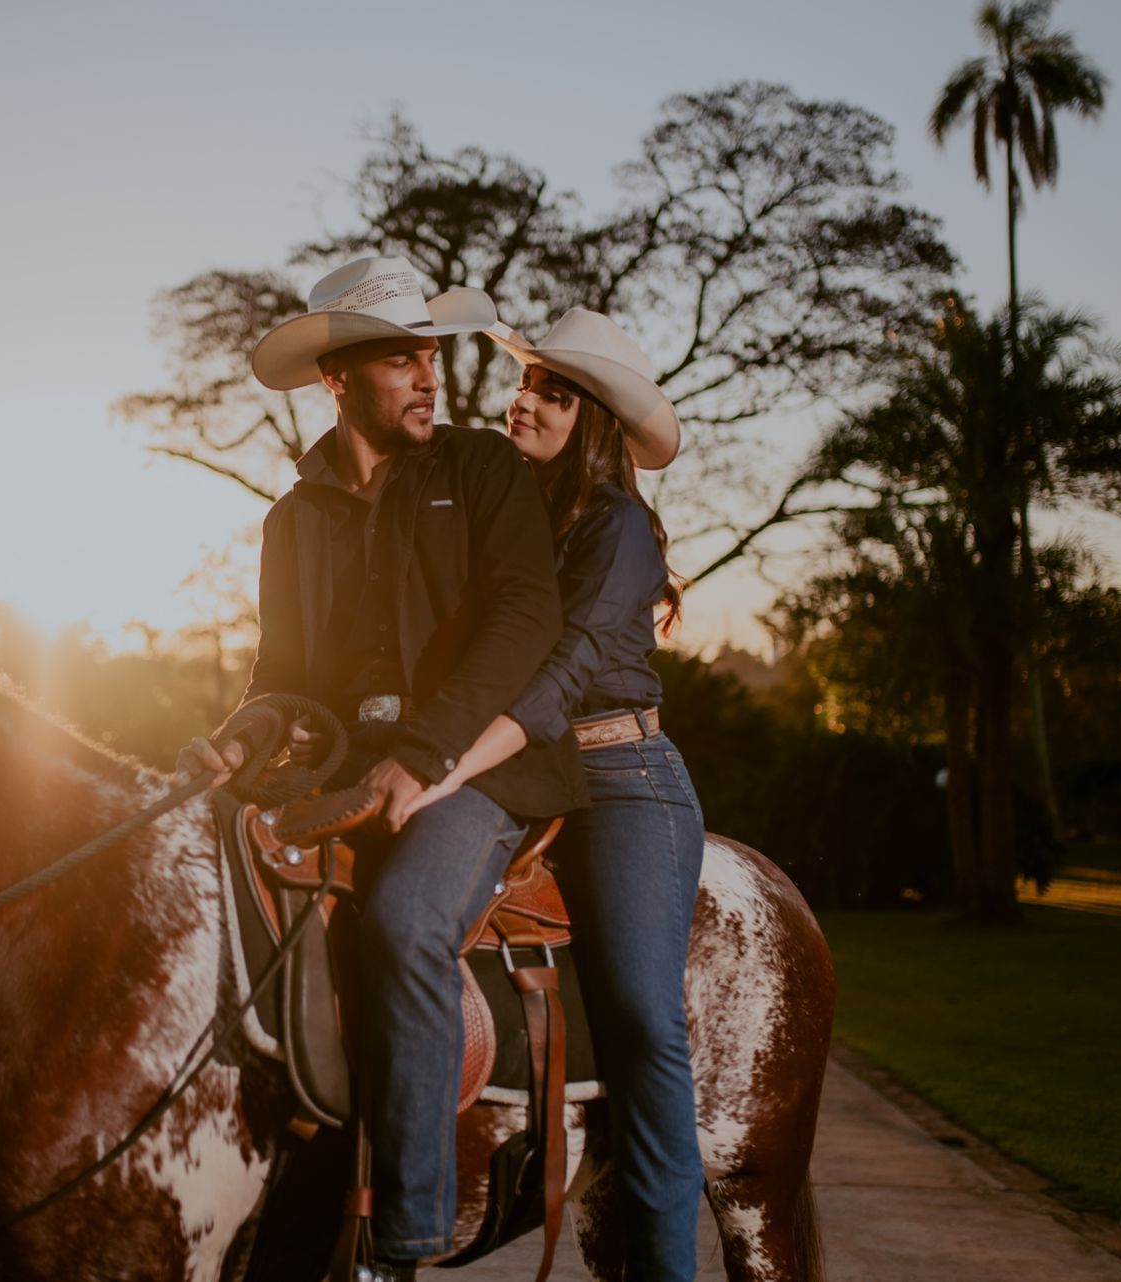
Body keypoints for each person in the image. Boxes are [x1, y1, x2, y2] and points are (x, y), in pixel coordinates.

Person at [176, 256, 585, 1278]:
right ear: (338, 377)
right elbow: (281, 677)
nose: (427, 373)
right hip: (339, 774)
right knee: (198, 886)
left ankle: (399, 1240)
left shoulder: (480, 473)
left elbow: (526, 618)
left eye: (430, 353)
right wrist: (233, 743)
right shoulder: (292, 519)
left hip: (475, 770)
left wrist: (422, 753)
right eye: (401, 357)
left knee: (405, 921)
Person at [402, 309, 705, 1282]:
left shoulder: (617, 527)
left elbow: (561, 678)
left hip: (620, 775)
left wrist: (444, 763)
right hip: (518, 763)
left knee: (641, 1016)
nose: (522, 402)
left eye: (551, 392)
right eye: (524, 384)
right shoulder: (511, 513)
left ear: (595, 421)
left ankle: (663, 1266)